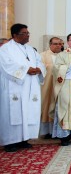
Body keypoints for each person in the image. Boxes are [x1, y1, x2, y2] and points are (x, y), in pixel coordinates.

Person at [0, 24, 46, 152]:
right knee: (13, 112)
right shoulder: (5, 49)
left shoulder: (30, 49)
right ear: (15, 35)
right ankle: (10, 142)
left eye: (28, 33)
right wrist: (26, 70)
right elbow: (7, 66)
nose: (27, 35)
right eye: (24, 33)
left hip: (30, 86)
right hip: (15, 86)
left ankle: (24, 139)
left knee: (28, 111)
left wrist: (39, 69)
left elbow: (39, 61)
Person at [40, 37, 62, 139]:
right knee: (48, 105)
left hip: (60, 86)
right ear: (50, 45)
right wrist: (52, 67)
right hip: (48, 87)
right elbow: (41, 68)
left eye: (60, 44)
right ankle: (47, 131)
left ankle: (59, 130)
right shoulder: (43, 55)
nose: (58, 46)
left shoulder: (64, 55)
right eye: (56, 44)